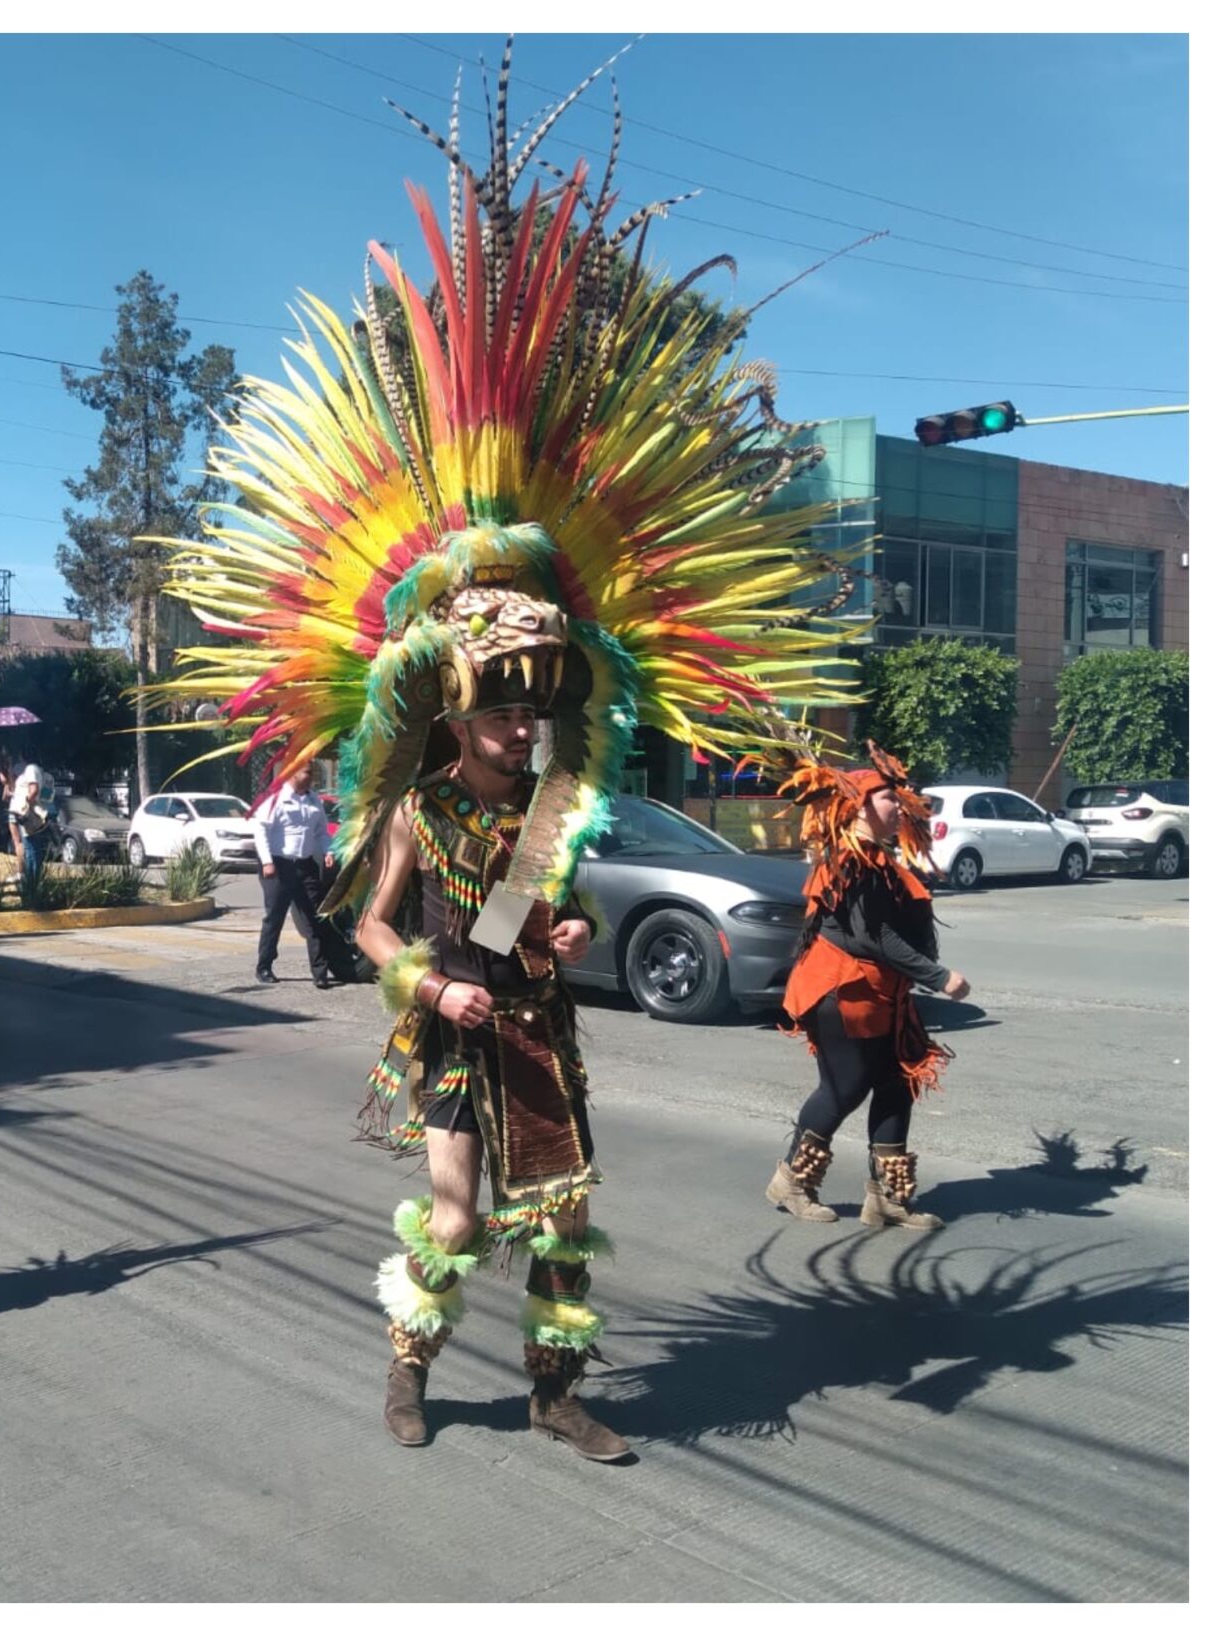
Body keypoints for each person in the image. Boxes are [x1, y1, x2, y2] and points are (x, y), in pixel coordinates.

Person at [149, 44, 851, 1465]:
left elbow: (555, 912)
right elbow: (367, 925)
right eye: (498, 709)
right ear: (450, 709)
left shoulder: (550, 813)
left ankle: (555, 1394)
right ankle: (409, 1370)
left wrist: (569, 925)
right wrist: (425, 981)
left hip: (540, 1028)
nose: (520, 726)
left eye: (534, 707)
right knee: (461, 1214)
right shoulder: (417, 809)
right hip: (449, 1035)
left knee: (567, 1215)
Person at [763, 743, 967, 1229]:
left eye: (898, 798)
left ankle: (887, 1199)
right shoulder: (850, 861)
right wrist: (938, 977)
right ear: (858, 806)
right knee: (844, 1087)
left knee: (897, 1083)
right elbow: (870, 937)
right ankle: (793, 1181)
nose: (900, 806)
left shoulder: (877, 859)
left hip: (880, 994)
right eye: (888, 798)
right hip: (842, 991)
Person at [254, 761, 336, 988]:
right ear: (292, 773)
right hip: (278, 865)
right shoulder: (275, 798)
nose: (312, 777)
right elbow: (260, 830)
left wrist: (328, 851)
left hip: (305, 865)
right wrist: (267, 862)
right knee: (275, 917)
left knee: (314, 917)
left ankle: (320, 972)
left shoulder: (314, 800)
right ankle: (264, 966)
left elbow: (321, 831)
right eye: (307, 772)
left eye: (313, 772)